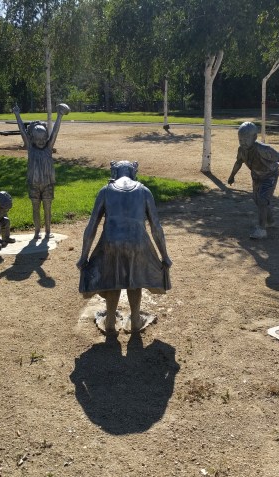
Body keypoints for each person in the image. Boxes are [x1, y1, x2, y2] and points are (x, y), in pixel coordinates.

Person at [77, 160, 172, 334]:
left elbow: (92, 226)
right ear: (133, 173)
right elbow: (156, 226)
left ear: (114, 173)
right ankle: (135, 320)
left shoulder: (105, 191)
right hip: (138, 242)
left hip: (111, 242)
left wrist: (84, 255)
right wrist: (164, 255)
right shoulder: (144, 191)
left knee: (112, 279)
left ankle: (111, 321)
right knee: (134, 279)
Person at [227, 121, 279, 239]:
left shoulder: (263, 149)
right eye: (240, 140)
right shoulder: (241, 150)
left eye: (246, 139)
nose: (243, 142)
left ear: (255, 137)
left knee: (262, 200)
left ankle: (261, 229)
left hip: (270, 175)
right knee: (258, 200)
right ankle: (270, 221)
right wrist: (232, 175)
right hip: (256, 176)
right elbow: (238, 162)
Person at [13, 103, 70, 240]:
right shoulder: (31, 149)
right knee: (35, 208)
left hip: (48, 183)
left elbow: (55, 131)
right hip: (33, 183)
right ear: (31, 138)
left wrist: (60, 116)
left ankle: (48, 231)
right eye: (37, 139)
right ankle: (37, 231)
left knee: (48, 208)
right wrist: (17, 115)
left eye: (44, 138)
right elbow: (22, 130)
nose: (41, 141)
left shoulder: (48, 148)